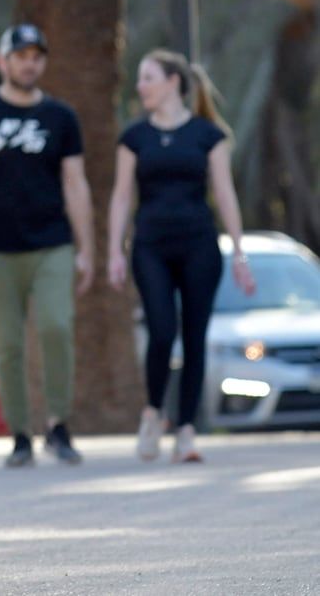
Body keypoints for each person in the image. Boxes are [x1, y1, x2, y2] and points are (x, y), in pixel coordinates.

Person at [107, 49, 254, 464]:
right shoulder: (134, 138)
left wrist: (240, 251)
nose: (140, 86)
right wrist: (114, 252)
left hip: (199, 246)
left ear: (173, 82)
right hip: (151, 245)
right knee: (161, 331)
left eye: (148, 77)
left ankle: (186, 431)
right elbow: (121, 198)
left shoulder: (209, 136)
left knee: (194, 338)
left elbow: (224, 194)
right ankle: (154, 413)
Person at [0, 24, 93, 468]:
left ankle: (59, 425)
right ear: (4, 61)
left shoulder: (61, 118)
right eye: (20, 55)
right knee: (8, 344)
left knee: (56, 327)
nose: (29, 62)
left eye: (37, 55)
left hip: (52, 244)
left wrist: (87, 248)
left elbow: (76, 184)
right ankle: (20, 434)